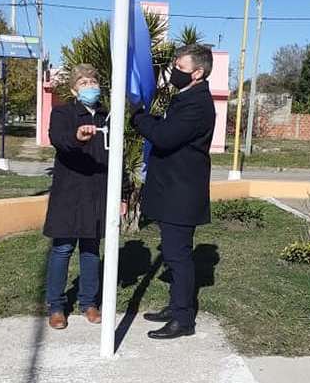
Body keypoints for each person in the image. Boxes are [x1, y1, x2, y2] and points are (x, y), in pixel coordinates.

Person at [131, 44, 216, 339]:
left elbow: (165, 137)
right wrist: (150, 115)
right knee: (172, 253)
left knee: (178, 257)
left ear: (198, 72)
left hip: (182, 193)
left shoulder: (198, 104)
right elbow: (162, 122)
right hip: (171, 190)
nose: (174, 73)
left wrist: (138, 118)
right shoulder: (182, 96)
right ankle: (176, 306)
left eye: (180, 68)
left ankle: (184, 320)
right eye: (174, 66)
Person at [43, 64, 127, 329]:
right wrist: (77, 137)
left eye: (92, 81)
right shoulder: (63, 113)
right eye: (83, 83)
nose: (89, 86)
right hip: (69, 193)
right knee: (63, 249)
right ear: (73, 89)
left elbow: (119, 158)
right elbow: (59, 139)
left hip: (98, 192)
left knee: (91, 249)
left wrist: (122, 194)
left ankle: (89, 303)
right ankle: (56, 306)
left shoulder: (108, 116)